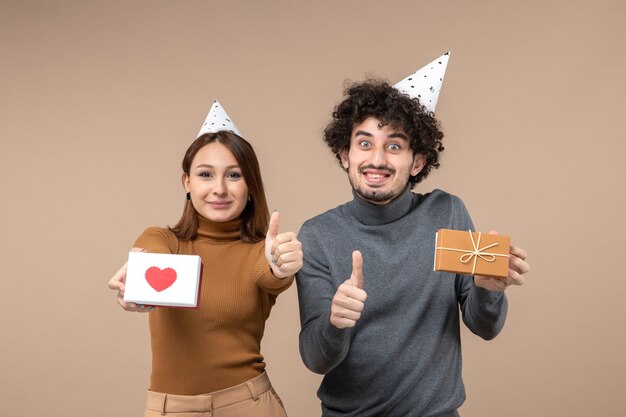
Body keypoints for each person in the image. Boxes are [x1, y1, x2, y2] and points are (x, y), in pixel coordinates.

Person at [296, 76, 530, 416]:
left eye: (394, 146)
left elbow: (486, 327)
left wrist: (487, 290)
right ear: (344, 155)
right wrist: (336, 322)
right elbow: (315, 358)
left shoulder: (447, 212)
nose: (377, 159)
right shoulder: (317, 235)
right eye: (364, 144)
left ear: (417, 162)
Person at [108, 101, 301, 417]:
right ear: (187, 183)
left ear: (251, 186)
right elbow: (151, 260)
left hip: (249, 406)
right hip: (171, 410)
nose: (220, 189)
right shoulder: (162, 240)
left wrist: (280, 264)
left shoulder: (260, 252)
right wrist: (136, 289)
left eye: (234, 175)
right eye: (206, 174)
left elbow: (270, 273)